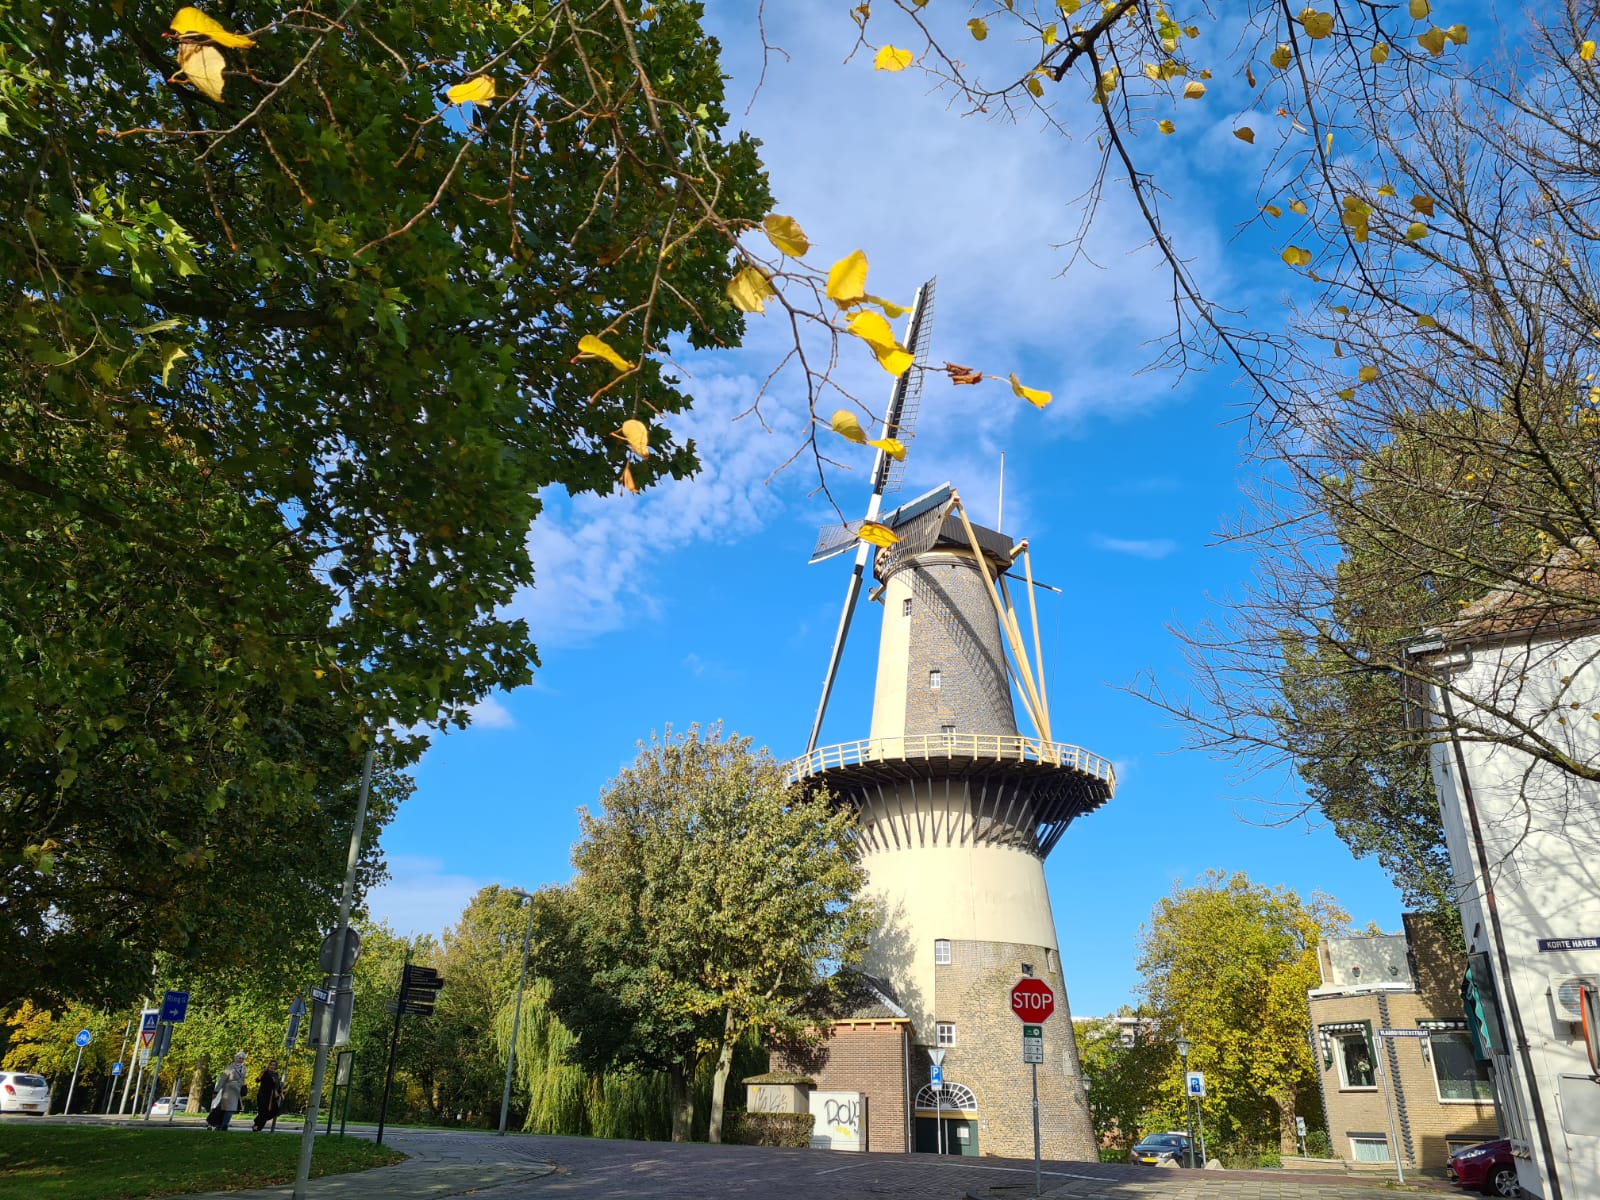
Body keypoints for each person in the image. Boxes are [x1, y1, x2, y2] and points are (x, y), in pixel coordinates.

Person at [211, 1052, 247, 1131]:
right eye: (239, 1058)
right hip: (229, 1090)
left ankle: (217, 1124)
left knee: (225, 1108)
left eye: (242, 1058)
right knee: (230, 1109)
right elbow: (222, 1080)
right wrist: (216, 1091)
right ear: (236, 1058)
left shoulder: (244, 1068)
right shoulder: (230, 1067)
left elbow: (243, 1079)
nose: (241, 1060)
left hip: (237, 1091)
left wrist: (243, 1089)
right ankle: (224, 1125)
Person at [252, 1059, 283, 1133]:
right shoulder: (265, 1073)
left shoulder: (276, 1075)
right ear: (269, 1065)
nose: (272, 1066)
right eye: (271, 1065)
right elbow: (257, 1080)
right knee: (263, 1112)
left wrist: (281, 1093)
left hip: (272, 1097)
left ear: (276, 1067)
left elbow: (277, 1085)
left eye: (274, 1065)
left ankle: (256, 1122)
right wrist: (261, 1074)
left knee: (274, 1111)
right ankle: (258, 1128)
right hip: (263, 1095)